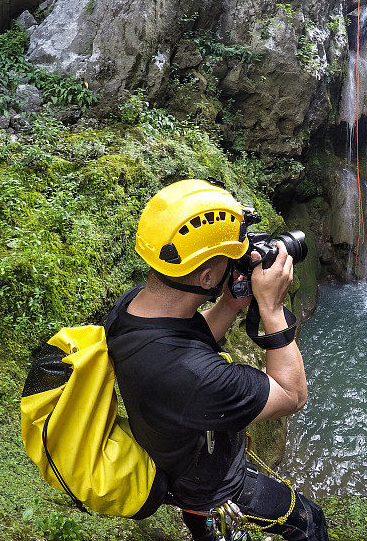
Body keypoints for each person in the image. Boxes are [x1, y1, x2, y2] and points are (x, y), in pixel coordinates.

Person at [105, 179, 328, 541]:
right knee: (309, 521)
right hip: (213, 488)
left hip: (175, 457)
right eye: (230, 258)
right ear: (207, 275)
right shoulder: (197, 377)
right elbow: (292, 394)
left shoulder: (133, 308)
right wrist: (270, 308)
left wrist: (228, 305)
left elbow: (187, 338)